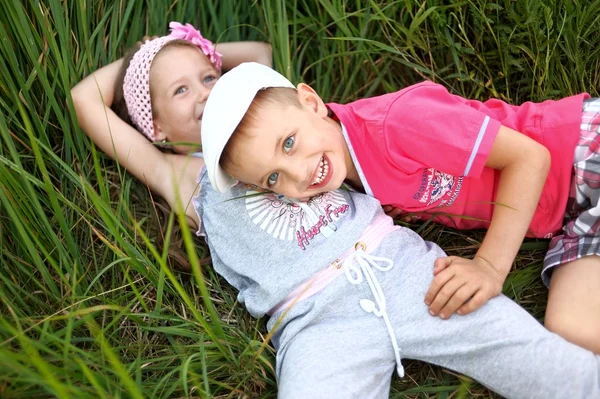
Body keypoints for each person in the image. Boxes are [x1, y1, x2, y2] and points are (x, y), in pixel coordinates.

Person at [72, 28, 600, 399]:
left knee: (544, 359)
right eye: (180, 90)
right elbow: (86, 101)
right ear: (157, 129)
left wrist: (179, 49)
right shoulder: (191, 177)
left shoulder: (339, 135)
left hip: (420, 255)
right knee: (573, 333)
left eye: (209, 77)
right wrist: (144, 60)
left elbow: (260, 60)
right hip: (314, 320)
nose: (207, 94)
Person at [201, 62, 600, 354]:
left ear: (311, 101)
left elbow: (531, 158)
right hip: (567, 219)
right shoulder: (347, 180)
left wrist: (490, 267)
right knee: (572, 333)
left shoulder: (397, 124)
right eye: (273, 179)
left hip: (579, 154)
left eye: (288, 143)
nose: (297, 173)